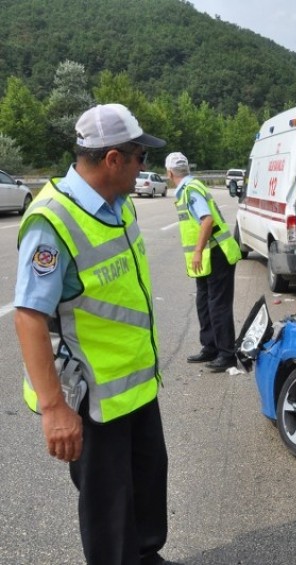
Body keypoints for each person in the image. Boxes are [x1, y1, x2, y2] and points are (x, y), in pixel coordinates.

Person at [14, 103, 171, 564]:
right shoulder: (53, 220)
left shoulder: (119, 207)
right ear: (113, 160)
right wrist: (54, 409)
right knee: (110, 508)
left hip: (134, 386)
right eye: (141, 156)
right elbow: (29, 317)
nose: (147, 166)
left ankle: (146, 555)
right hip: (90, 395)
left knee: (147, 484)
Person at [165, 152, 242, 372]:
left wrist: (197, 251)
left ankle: (227, 354)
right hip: (207, 257)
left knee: (218, 305)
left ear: (170, 173)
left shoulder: (191, 191)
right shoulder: (188, 190)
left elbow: (206, 220)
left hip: (217, 253)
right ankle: (210, 347)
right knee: (204, 302)